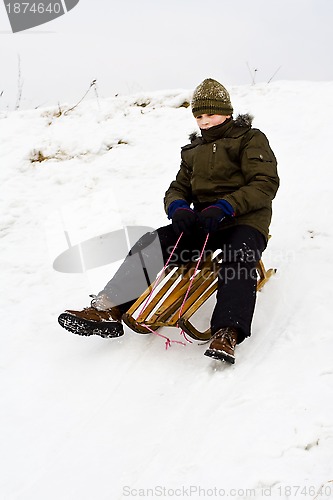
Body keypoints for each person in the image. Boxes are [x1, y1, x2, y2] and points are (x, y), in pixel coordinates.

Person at [58, 78, 279, 364]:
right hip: (205, 223)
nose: (204, 121)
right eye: (199, 116)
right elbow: (178, 188)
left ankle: (227, 331)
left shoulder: (250, 139)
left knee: (239, 256)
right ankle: (108, 309)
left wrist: (226, 206)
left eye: (210, 114)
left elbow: (264, 183)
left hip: (245, 220)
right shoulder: (192, 151)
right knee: (154, 241)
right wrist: (177, 208)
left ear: (226, 112)